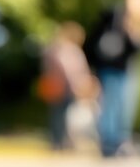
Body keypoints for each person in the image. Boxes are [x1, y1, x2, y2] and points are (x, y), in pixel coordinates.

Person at [84, 0, 140, 157]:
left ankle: (119, 140)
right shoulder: (114, 15)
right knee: (109, 104)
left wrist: (135, 32)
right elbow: (95, 41)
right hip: (108, 68)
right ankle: (108, 142)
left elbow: (138, 48)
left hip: (127, 68)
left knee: (125, 105)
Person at [39, 21, 98, 151]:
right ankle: (62, 142)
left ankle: (57, 142)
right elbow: (73, 71)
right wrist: (79, 85)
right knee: (65, 115)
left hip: (54, 86)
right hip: (66, 87)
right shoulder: (71, 50)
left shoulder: (53, 49)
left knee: (56, 115)